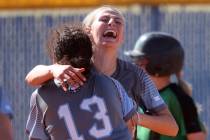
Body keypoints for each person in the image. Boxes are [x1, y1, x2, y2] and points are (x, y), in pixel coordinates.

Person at [25, 6, 178, 137]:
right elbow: (31, 78)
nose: (112, 22)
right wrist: (52, 68)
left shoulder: (135, 75)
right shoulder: (74, 70)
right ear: (88, 31)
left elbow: (171, 127)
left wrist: (135, 117)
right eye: (104, 19)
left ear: (122, 36)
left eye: (118, 21)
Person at [26, 24, 140, 140]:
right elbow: (130, 126)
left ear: (55, 59)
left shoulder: (41, 96)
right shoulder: (112, 85)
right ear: (90, 56)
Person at [125, 32, 206, 140]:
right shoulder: (139, 97)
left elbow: (198, 137)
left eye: (140, 61)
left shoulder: (179, 98)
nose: (135, 65)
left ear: (158, 65)